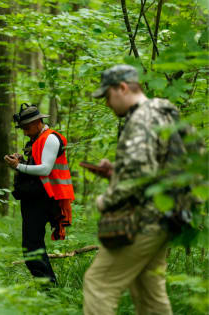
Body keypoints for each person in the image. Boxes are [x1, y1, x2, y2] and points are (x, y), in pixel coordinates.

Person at [83, 64, 174, 314]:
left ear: (122, 88)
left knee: (98, 285)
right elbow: (154, 166)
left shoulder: (141, 119)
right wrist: (116, 170)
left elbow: (140, 173)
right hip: (165, 216)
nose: (107, 104)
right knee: (149, 292)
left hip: (142, 219)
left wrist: (106, 200)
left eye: (108, 97)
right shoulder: (161, 112)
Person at [4, 103, 75, 285]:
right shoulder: (36, 139)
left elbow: (45, 169)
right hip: (33, 198)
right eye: (23, 129)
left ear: (37, 122)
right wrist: (21, 160)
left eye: (27, 128)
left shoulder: (50, 139)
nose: (25, 132)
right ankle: (47, 288)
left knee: (32, 247)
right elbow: (36, 164)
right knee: (31, 246)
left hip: (45, 198)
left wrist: (18, 166)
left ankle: (49, 289)